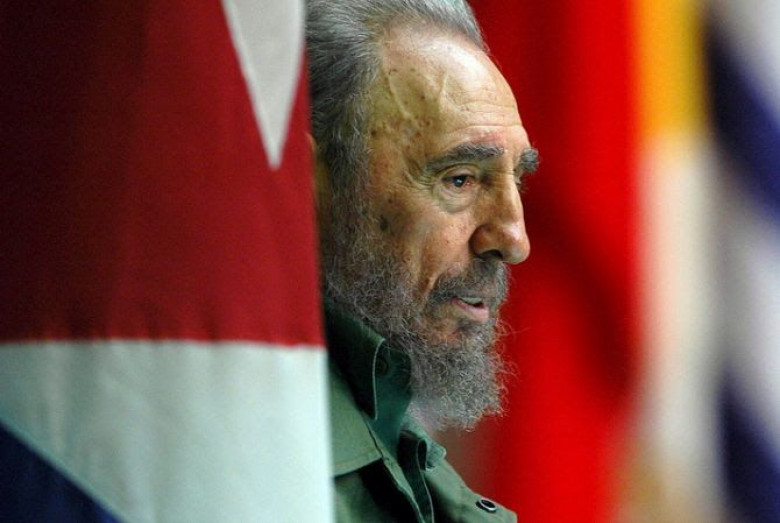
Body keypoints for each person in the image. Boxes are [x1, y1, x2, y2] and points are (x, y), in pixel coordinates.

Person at [306, 1, 539, 521]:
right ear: (302, 184)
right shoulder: (248, 467)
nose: (513, 240)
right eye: (460, 179)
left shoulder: (397, 454)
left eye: (517, 179)